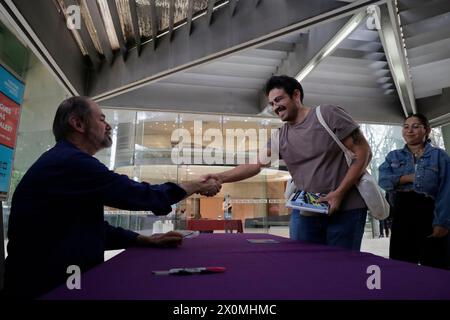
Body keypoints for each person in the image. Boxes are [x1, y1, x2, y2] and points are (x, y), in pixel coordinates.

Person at [2, 96, 222, 299]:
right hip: (46, 289)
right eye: (101, 119)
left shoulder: (65, 161)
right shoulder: (72, 163)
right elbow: (136, 195)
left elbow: (86, 226)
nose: (108, 125)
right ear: (78, 124)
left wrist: (140, 239)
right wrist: (193, 186)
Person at [203, 75, 372, 250]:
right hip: (307, 211)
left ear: (296, 95)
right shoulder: (279, 136)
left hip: (346, 209)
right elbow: (254, 165)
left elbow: (363, 152)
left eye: (279, 100)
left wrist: (339, 193)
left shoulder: (327, 115)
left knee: (342, 269)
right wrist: (219, 177)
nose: (275, 107)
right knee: (304, 267)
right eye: (272, 104)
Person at [378, 114, 450, 269]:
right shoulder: (393, 156)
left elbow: (446, 191)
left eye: (416, 126)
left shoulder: (440, 156)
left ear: (427, 130)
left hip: (430, 214)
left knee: (436, 267)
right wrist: (409, 178)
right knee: (401, 267)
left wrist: (442, 223)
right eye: (406, 126)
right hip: (402, 214)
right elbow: (384, 180)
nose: (409, 131)